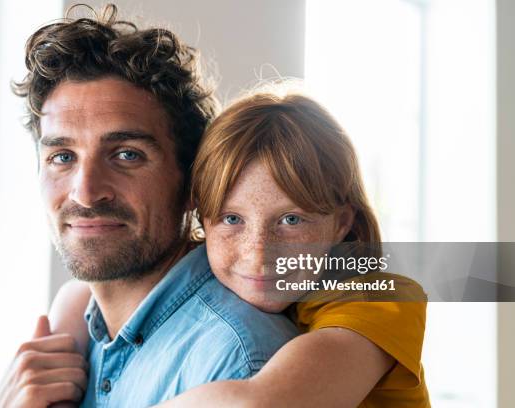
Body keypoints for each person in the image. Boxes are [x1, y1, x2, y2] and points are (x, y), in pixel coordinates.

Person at [0, 5, 299, 407]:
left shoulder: (236, 359)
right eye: (62, 156)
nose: (85, 193)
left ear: (193, 184)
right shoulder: (73, 332)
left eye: (126, 155)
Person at [52, 87, 431, 407]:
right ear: (202, 217)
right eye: (232, 220)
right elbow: (78, 292)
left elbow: (258, 402)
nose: (258, 253)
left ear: (342, 223)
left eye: (291, 220)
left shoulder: (381, 299)